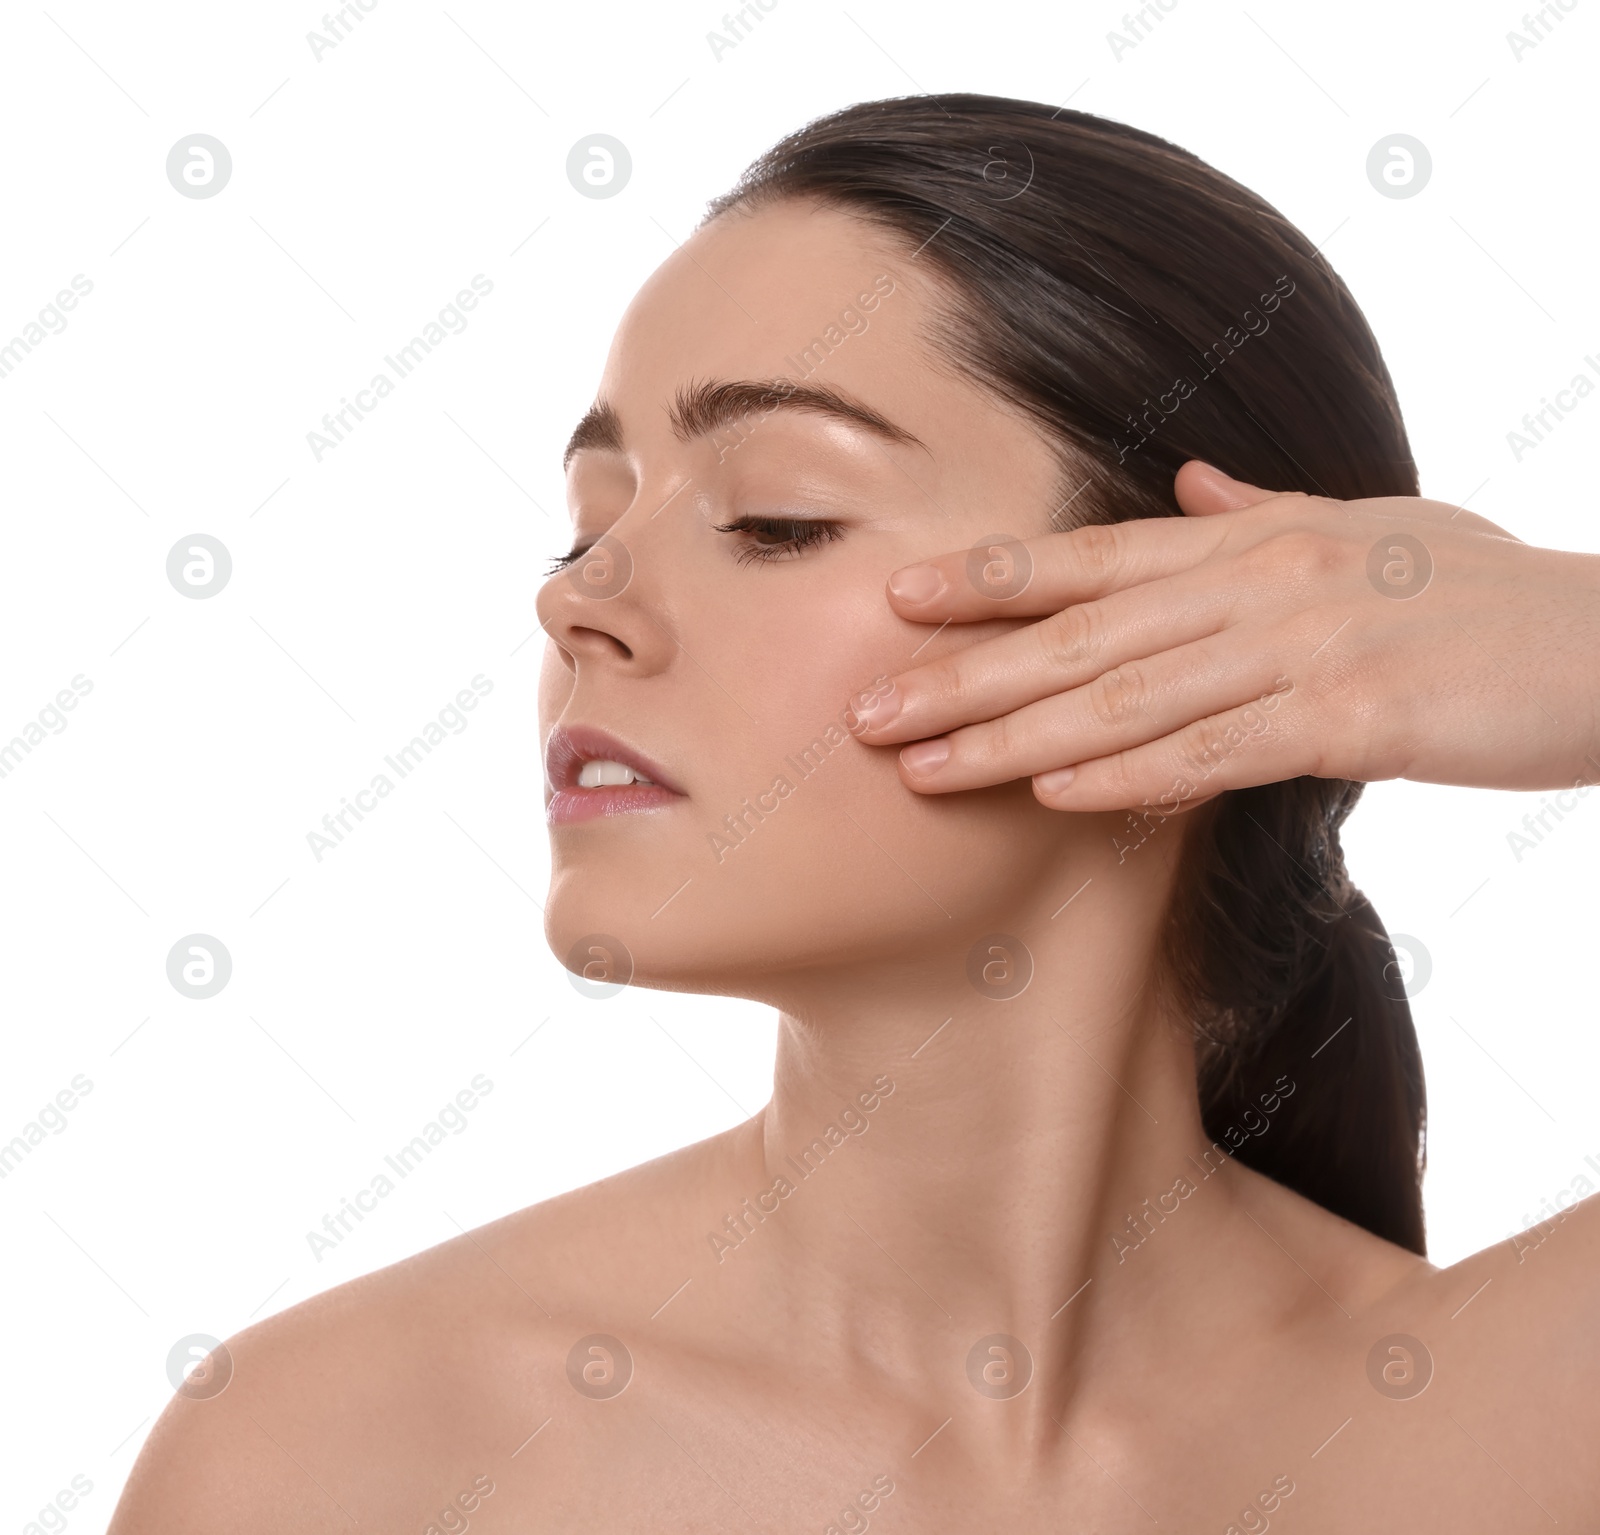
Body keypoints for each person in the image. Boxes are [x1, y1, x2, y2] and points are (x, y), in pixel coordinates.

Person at [111, 94, 1600, 1532]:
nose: (577, 600)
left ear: (1204, 617)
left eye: (776, 519)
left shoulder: (1515, 1418)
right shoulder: (337, 1461)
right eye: (590, 520)